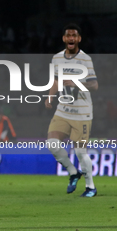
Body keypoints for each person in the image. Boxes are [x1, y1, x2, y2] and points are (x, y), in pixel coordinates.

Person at [45, 23, 98, 197]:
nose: (71, 38)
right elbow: (55, 81)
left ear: (79, 39)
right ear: (64, 38)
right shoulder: (57, 58)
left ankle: (90, 187)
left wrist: (76, 82)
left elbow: (94, 85)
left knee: (80, 151)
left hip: (82, 112)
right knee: (52, 144)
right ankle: (73, 172)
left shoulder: (85, 59)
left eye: (74, 35)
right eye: (68, 35)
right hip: (63, 109)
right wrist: (50, 97)